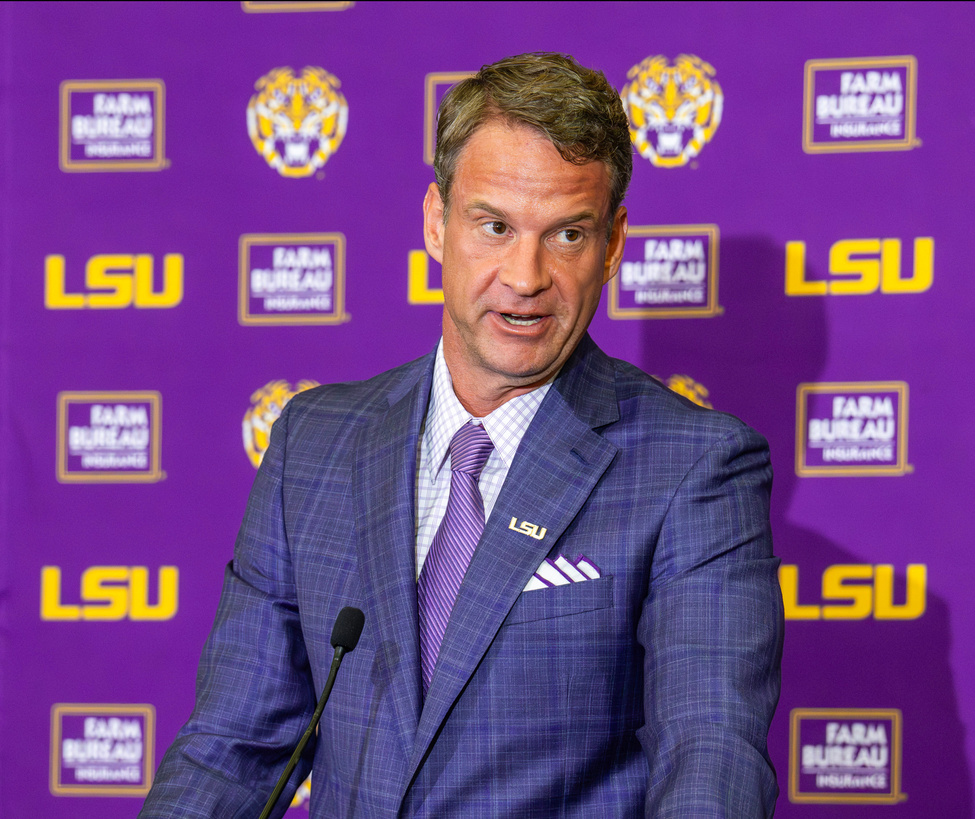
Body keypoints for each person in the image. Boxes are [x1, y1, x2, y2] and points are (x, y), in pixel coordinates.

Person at [141, 52, 782, 818]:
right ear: (437, 224)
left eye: (567, 234)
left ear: (612, 246)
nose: (526, 275)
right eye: (496, 225)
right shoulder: (312, 445)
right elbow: (232, 748)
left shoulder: (694, 469)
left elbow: (709, 758)